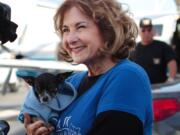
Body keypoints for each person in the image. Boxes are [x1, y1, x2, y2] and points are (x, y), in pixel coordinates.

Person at [24, 0, 153, 135]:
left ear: (107, 30)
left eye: (80, 27)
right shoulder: (72, 82)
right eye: (65, 30)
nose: (70, 39)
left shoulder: (127, 76)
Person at [130, 18, 177, 84]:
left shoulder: (162, 46)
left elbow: (172, 61)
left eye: (149, 30)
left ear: (153, 31)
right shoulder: (133, 49)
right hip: (140, 87)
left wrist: (170, 79)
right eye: (143, 30)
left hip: (159, 87)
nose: (146, 33)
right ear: (139, 32)